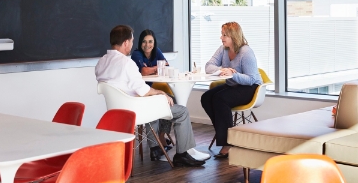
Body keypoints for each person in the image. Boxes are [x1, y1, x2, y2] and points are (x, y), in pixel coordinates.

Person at [95, 25, 205, 167]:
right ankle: (182, 154)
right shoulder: (126, 63)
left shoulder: (101, 62)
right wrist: (160, 93)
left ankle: (156, 148)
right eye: (132, 41)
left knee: (157, 104)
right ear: (126, 43)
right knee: (181, 111)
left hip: (117, 111)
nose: (132, 44)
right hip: (136, 110)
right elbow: (143, 90)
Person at [201, 22, 263, 159]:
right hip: (233, 85)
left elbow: (251, 79)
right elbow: (208, 66)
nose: (221, 38)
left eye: (224, 35)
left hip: (251, 88)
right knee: (206, 98)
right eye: (222, 34)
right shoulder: (223, 49)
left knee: (220, 99)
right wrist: (222, 70)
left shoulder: (246, 52)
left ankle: (228, 143)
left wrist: (233, 74)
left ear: (233, 36)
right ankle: (223, 132)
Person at [131, 29, 172, 149]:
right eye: (144, 42)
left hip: (153, 89)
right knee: (163, 102)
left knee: (171, 100)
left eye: (150, 41)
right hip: (142, 92)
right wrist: (158, 67)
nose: (147, 45)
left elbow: (167, 66)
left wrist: (152, 68)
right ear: (140, 43)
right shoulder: (136, 54)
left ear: (154, 43)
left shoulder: (157, 51)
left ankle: (161, 135)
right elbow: (143, 71)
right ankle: (157, 143)